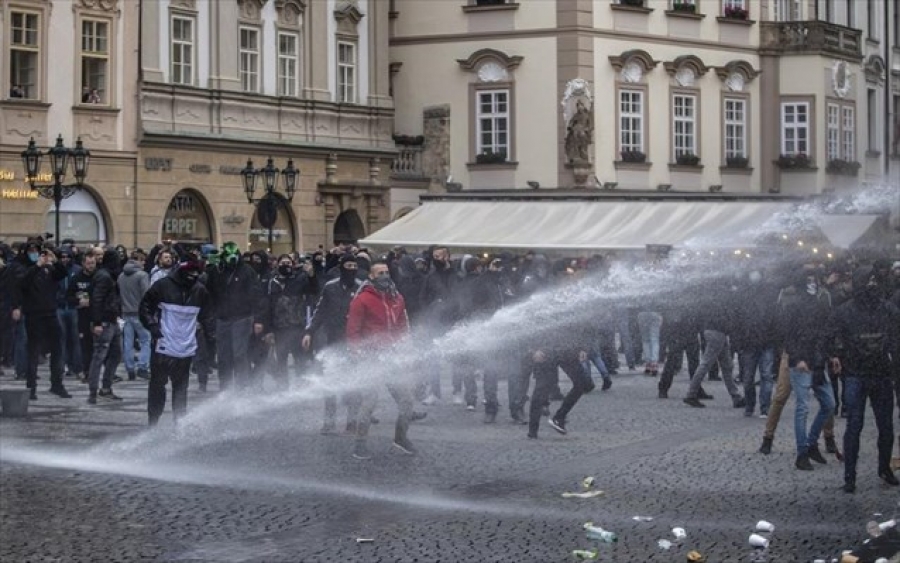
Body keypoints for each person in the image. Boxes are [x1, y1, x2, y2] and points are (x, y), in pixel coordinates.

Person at [830, 265, 900, 492]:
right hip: (857, 373)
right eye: (868, 281)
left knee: (885, 426)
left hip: (878, 373)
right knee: (855, 426)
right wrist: (835, 355)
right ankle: (850, 476)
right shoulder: (845, 311)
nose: (872, 285)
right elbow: (833, 336)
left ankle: (883, 468)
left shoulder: (887, 309)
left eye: (874, 281)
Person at [347, 261, 415, 460]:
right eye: (380, 273)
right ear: (371, 276)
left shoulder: (397, 298)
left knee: (406, 400)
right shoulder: (362, 300)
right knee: (369, 401)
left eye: (386, 272)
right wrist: (356, 353)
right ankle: (359, 444)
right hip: (370, 358)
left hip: (391, 357)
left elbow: (402, 326)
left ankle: (400, 439)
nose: (385, 276)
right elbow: (353, 330)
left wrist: (405, 346)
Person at [140, 258, 215, 425]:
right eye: (190, 274)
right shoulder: (162, 286)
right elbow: (145, 307)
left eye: (196, 275)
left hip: (185, 347)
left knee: (181, 387)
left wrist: (211, 337)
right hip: (163, 344)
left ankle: (179, 421)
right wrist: (152, 326)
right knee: (158, 385)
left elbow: (208, 316)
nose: (192, 278)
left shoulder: (200, 291)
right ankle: (153, 420)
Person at [777, 263, 836, 471]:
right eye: (809, 280)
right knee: (802, 407)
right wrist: (798, 358)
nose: (813, 284)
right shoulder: (793, 306)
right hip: (801, 362)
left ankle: (811, 443)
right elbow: (788, 336)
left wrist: (829, 355)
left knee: (829, 404)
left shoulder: (818, 304)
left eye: (814, 280)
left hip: (817, 361)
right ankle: (802, 452)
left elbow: (823, 333)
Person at [304, 253, 364, 434]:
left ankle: (352, 421)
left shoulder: (361, 287)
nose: (352, 269)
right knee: (330, 381)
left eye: (354, 266)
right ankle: (329, 422)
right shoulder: (330, 287)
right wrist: (309, 331)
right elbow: (320, 311)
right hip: (333, 340)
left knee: (354, 382)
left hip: (354, 342)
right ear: (341, 267)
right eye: (348, 266)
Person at [11, 243, 71, 400]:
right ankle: (31, 386)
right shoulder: (24, 268)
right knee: (33, 350)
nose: (35, 254)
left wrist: (55, 260)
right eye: (31, 251)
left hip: (50, 312)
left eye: (37, 251)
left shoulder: (48, 268)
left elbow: (62, 274)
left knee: (58, 349)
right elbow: (22, 284)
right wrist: (37, 266)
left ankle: (57, 384)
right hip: (33, 314)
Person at [205, 241, 261, 390]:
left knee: (239, 354)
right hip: (222, 318)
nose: (231, 257)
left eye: (234, 254)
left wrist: (257, 318)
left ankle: (242, 387)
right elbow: (209, 292)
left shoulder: (247, 271)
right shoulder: (217, 271)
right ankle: (225, 388)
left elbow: (256, 295)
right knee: (223, 356)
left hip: (242, 317)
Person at [260, 254, 317, 389]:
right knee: (281, 359)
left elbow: (314, 290)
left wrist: (311, 276)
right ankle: (283, 386)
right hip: (279, 327)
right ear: (277, 264)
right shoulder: (272, 282)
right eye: (283, 263)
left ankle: (301, 386)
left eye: (288, 263)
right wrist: (268, 329)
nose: (286, 265)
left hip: (297, 325)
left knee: (300, 358)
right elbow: (267, 306)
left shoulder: (300, 279)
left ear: (293, 264)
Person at [86, 249, 123, 404]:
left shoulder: (107, 275)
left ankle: (105, 388)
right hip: (105, 321)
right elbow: (97, 299)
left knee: (115, 354)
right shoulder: (105, 276)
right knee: (99, 356)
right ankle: (94, 391)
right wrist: (97, 322)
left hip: (111, 320)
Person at [118, 250, 151, 380]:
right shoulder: (142, 275)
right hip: (139, 312)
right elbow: (146, 294)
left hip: (125, 312)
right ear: (138, 260)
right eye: (143, 260)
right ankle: (142, 367)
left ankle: (130, 368)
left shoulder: (121, 276)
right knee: (146, 340)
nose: (144, 263)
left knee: (128, 342)